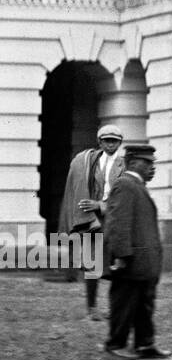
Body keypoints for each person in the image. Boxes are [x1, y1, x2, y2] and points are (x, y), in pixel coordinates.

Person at [103, 144, 170, 359]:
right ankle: (116, 344)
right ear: (132, 162)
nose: (152, 167)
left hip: (143, 263)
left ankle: (145, 344)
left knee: (144, 305)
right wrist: (121, 255)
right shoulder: (125, 184)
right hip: (130, 261)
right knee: (124, 304)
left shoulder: (136, 186)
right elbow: (118, 223)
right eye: (147, 162)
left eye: (153, 163)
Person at [60, 124, 125, 319]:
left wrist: (101, 205)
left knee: (118, 266)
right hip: (92, 221)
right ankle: (92, 309)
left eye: (114, 141)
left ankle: (116, 308)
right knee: (92, 266)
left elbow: (123, 193)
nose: (110, 144)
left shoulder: (125, 164)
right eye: (106, 140)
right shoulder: (89, 161)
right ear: (100, 142)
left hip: (115, 219)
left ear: (120, 143)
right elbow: (79, 187)